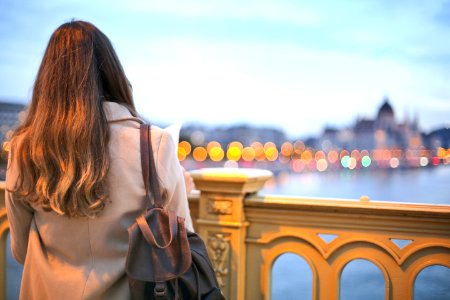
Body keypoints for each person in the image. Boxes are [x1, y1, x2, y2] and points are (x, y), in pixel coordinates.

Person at [5, 20, 194, 300]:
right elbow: (183, 244)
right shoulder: (154, 144)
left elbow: (20, 251)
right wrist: (181, 185)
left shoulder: (24, 147)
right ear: (112, 73)